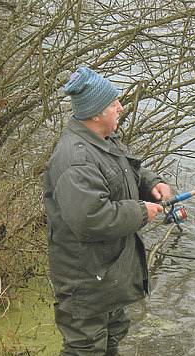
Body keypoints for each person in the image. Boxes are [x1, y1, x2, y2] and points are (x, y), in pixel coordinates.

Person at [43, 66, 170, 355]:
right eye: (114, 105)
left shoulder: (103, 140)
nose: (121, 109)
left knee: (111, 343)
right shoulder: (76, 159)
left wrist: (151, 184)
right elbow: (89, 218)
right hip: (86, 284)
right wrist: (140, 212)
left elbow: (124, 172)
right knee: (84, 350)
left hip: (108, 278)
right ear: (96, 113)